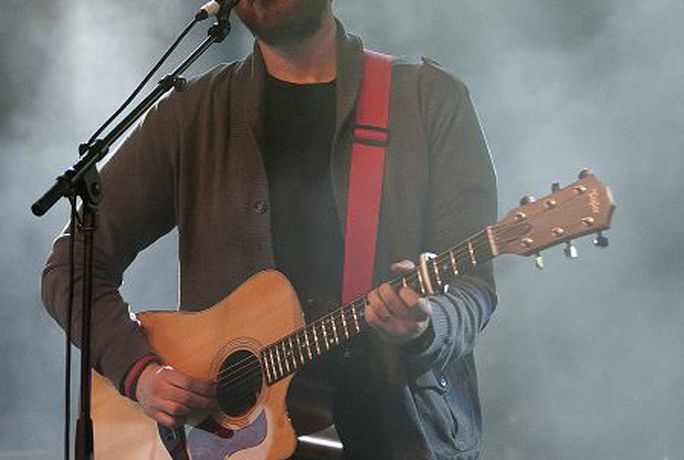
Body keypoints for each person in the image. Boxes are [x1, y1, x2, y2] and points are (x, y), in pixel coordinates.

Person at [41, 1, 498, 459]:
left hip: (396, 436)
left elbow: (472, 289)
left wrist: (424, 327)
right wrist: (139, 372)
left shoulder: (427, 100)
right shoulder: (190, 112)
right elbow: (71, 266)